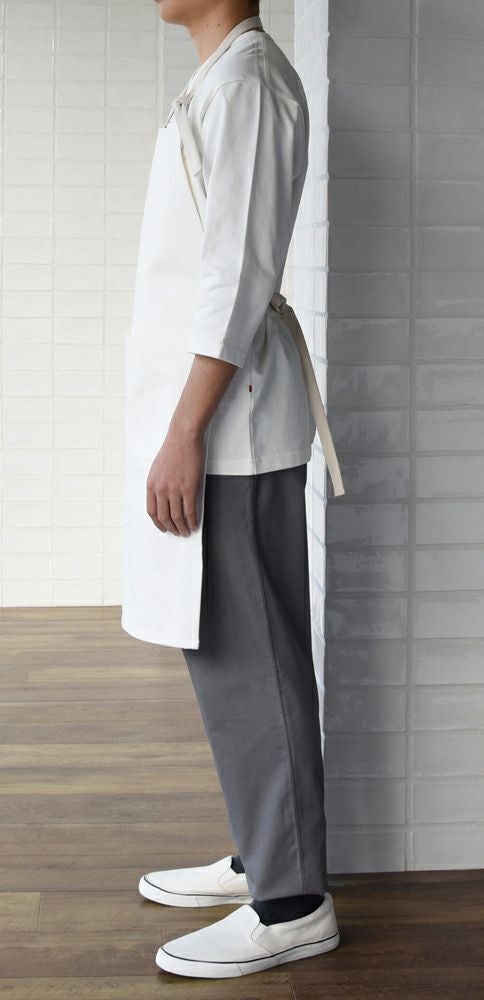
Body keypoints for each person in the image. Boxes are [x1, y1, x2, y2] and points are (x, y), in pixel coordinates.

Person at [125, 0, 343, 980]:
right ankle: (266, 849)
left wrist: (184, 431)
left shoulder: (249, 83)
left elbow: (237, 276)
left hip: (232, 431)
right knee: (229, 656)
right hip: (219, 422)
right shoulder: (221, 82)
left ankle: (292, 904)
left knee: (254, 661)